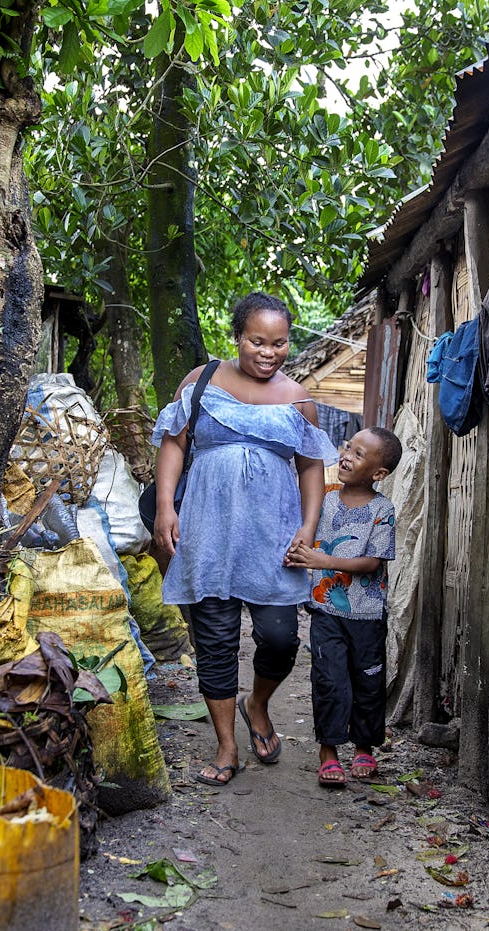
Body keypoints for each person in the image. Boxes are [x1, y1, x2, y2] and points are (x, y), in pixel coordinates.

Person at [151, 292, 338, 786]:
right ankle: (227, 744)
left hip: (271, 541)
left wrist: (308, 528)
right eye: (258, 341)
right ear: (238, 336)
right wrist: (167, 507)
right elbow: (174, 444)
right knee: (214, 641)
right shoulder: (201, 381)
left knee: (280, 639)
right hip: (207, 534)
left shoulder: (299, 399)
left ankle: (256, 703)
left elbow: (311, 468)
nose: (269, 352)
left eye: (279, 343)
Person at [285, 427, 401, 787]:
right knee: (330, 680)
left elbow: (372, 563)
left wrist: (321, 560)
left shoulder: (383, 509)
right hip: (325, 610)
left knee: (367, 681)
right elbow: (305, 538)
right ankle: (329, 751)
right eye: (348, 446)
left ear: (378, 474)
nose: (347, 455)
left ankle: (364, 747)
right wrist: (299, 553)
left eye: (360, 454)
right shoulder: (325, 500)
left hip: (366, 614)